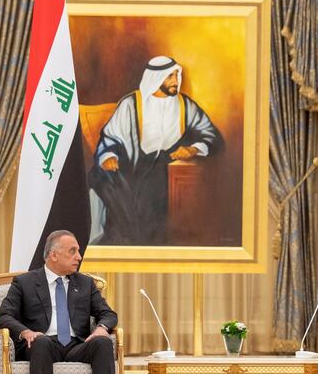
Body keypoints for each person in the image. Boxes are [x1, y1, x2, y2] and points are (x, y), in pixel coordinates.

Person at [88, 55, 223, 245]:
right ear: (156, 78)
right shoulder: (131, 104)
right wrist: (109, 155)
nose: (176, 81)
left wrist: (193, 149)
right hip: (130, 163)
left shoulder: (185, 106)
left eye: (177, 75)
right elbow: (110, 137)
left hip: (164, 166)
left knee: (152, 193)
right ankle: (120, 241)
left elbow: (211, 135)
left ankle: (142, 242)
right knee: (101, 177)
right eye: (170, 77)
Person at [0, 230, 118, 374]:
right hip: (42, 345)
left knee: (102, 342)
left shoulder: (85, 283)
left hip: (77, 345)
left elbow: (109, 314)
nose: (79, 256)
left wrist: (101, 328)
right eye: (72, 251)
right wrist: (26, 332)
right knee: (41, 342)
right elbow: (3, 316)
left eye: (78, 251)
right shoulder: (25, 282)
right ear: (53, 255)